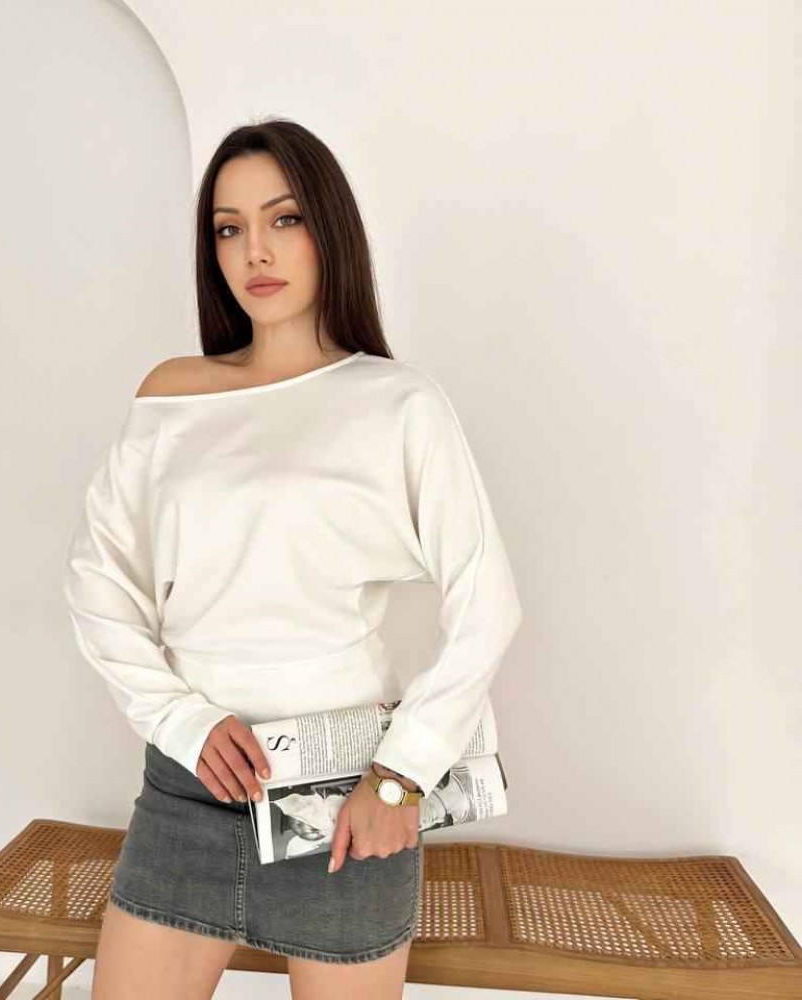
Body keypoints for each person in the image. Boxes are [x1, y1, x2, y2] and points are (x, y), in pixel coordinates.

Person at [63, 117, 524, 1000]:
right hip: (190, 787)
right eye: (228, 228)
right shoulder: (172, 395)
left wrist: (402, 777)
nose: (255, 252)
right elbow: (98, 580)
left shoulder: (399, 403)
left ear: (329, 228)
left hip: (350, 796)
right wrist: (181, 720)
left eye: (284, 219)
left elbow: (486, 602)